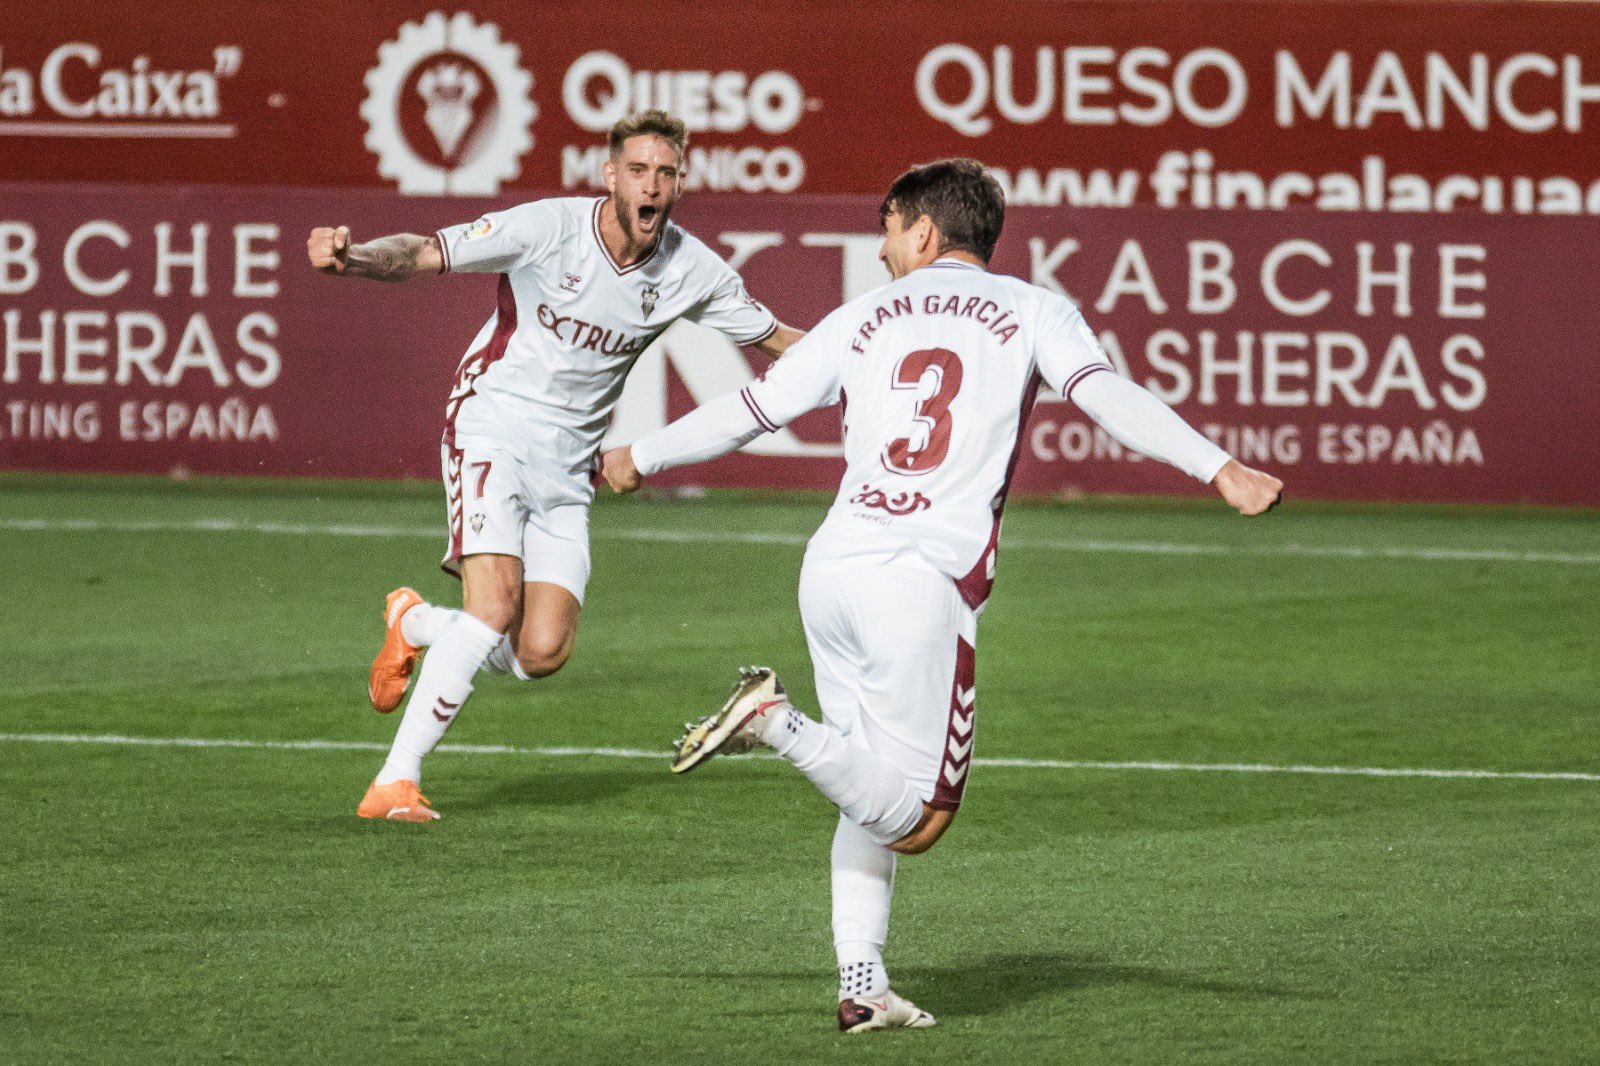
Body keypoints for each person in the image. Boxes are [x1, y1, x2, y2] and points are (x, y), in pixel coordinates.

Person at [598, 158, 1283, 1032]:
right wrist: (1215, 465)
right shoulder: (1035, 310)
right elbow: (1106, 395)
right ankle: (771, 720)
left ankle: (862, 983)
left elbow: (755, 408)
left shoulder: (861, 316)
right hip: (920, 585)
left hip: (833, 566)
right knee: (918, 821)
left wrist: (640, 454)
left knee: (866, 784)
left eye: (888, 228)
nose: (881, 248)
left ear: (925, 231)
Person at [306, 110, 804, 822]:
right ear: (610, 176)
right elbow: (425, 252)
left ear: (679, 183)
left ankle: (416, 625)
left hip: (571, 467)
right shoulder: (548, 228)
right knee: (493, 608)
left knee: (540, 652)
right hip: (492, 426)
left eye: (666, 173)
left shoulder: (692, 268)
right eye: (638, 170)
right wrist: (351, 259)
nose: (652, 186)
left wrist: (869, 349)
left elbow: (777, 338)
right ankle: (395, 780)